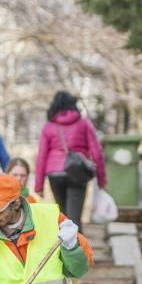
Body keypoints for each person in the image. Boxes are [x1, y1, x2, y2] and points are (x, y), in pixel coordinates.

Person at [34, 91, 106, 226]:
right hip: (77, 172)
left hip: (55, 174)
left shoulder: (49, 126)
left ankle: (63, 239)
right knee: (74, 220)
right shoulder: (84, 124)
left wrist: (39, 185)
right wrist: (101, 180)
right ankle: (77, 239)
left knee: (63, 218)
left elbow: (41, 156)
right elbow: (97, 153)